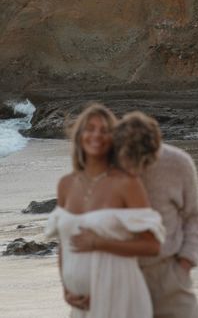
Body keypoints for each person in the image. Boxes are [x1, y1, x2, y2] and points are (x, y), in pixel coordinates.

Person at [71, 110, 198, 318]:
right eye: (128, 164)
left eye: (143, 165)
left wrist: (185, 263)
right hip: (118, 273)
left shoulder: (180, 163)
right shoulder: (105, 164)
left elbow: (193, 217)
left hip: (167, 273)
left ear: (155, 152)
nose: (135, 172)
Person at [45, 103, 165, 318]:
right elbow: (64, 243)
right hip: (81, 305)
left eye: (105, 130)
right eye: (90, 128)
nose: (96, 135)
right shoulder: (66, 184)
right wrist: (66, 289)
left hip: (121, 296)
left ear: (114, 139)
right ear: (80, 134)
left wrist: (99, 243)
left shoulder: (127, 184)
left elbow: (152, 245)